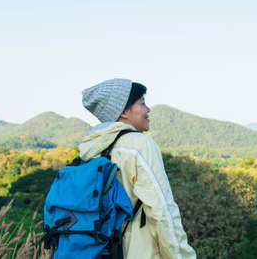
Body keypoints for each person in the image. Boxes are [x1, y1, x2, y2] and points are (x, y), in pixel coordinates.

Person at [79, 78, 197, 259]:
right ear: (124, 111)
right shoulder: (139, 145)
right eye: (142, 103)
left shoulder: (90, 149)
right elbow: (162, 212)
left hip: (99, 251)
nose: (148, 109)